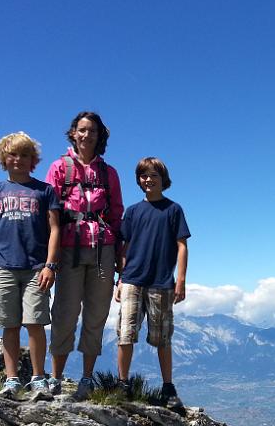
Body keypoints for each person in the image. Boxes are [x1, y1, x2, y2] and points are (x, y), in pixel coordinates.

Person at [45, 112, 124, 400]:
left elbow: (116, 214)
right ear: (73, 133)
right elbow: (50, 213)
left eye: (92, 131)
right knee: (65, 313)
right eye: (82, 130)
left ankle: (87, 379)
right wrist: (49, 259)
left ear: (99, 136)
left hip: (102, 247)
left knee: (96, 314)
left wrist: (118, 254)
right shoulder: (59, 168)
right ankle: (55, 378)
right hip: (69, 247)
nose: (86, 135)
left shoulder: (108, 173)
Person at [0, 132, 61, 401]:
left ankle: (38, 379)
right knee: (9, 324)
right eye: (13, 155)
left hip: (36, 267)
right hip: (3, 266)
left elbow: (54, 229)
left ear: (33, 160)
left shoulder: (44, 191)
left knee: (35, 322)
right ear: (4, 159)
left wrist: (50, 265)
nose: (18, 160)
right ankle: (12, 380)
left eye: (25, 155)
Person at [115, 157, 190, 409]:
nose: (148, 179)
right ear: (139, 180)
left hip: (161, 282)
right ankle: (123, 384)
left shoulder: (173, 210)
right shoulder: (133, 212)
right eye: (144, 175)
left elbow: (182, 245)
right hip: (132, 280)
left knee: (162, 338)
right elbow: (124, 247)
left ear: (163, 179)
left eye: (153, 175)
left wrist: (180, 279)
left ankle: (168, 388)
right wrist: (120, 279)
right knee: (126, 333)